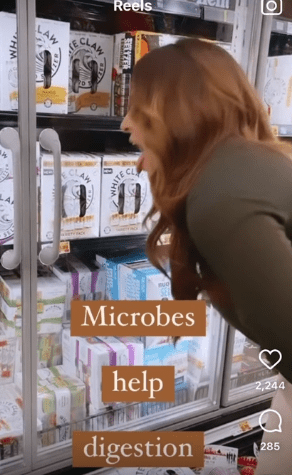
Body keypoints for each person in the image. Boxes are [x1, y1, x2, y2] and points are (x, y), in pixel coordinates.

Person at [120, 38, 292, 475]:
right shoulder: (242, 166)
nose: (125, 125)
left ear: (176, 117)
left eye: (138, 111)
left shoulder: (219, 198)